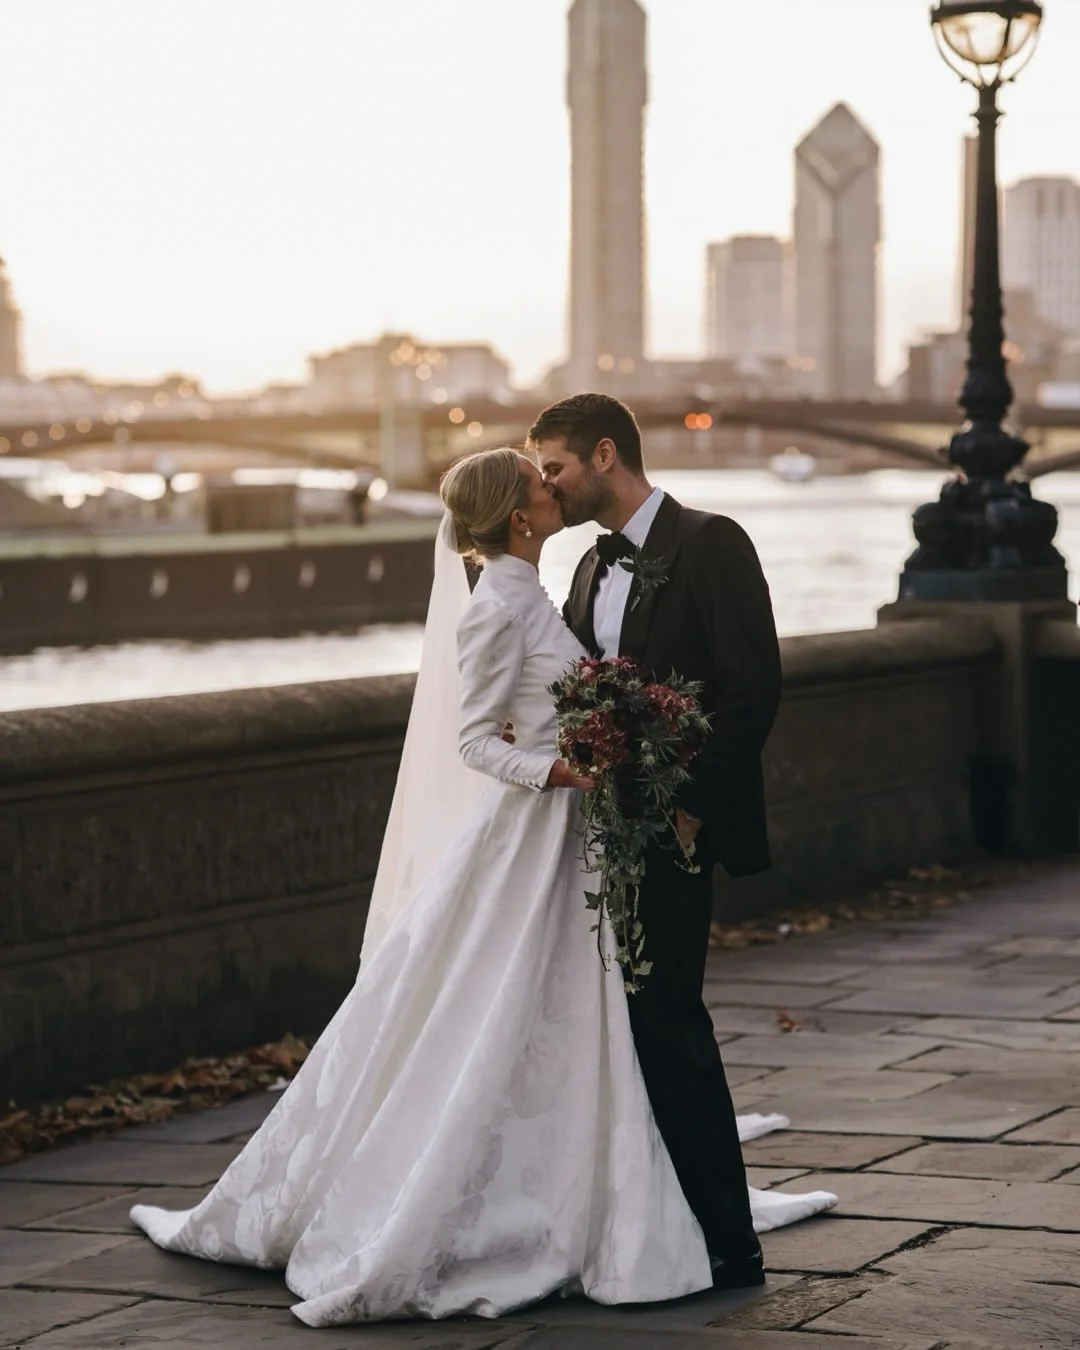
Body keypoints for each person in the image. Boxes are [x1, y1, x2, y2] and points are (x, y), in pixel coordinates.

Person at [130, 447, 833, 1327]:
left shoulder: (532, 587)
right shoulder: (498, 603)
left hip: (578, 842)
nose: (553, 485)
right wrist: (561, 773)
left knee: (577, 1015)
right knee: (508, 1008)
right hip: (537, 836)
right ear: (519, 516)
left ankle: (588, 1192)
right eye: (540, 480)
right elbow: (473, 740)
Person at [530, 392, 782, 1290]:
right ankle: (649, 1223)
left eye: (554, 468)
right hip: (599, 832)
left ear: (605, 454)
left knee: (671, 1018)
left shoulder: (711, 543)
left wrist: (689, 808)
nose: (545, 487)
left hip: (674, 828)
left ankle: (728, 1242)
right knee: (621, 1026)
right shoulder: (591, 569)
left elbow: (753, 691)